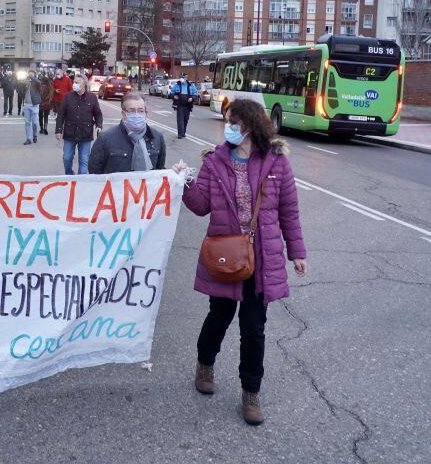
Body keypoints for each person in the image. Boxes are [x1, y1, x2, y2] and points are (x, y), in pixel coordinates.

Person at [177, 98, 307, 426]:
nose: (228, 128)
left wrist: (297, 252)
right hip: (225, 256)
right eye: (227, 122)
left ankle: (251, 393)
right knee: (218, 317)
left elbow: (289, 210)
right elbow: (200, 205)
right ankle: (205, 364)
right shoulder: (216, 160)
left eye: (233, 122)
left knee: (253, 328)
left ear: (249, 125)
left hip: (262, 260)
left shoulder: (276, 161)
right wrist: (183, 183)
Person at [88, 92, 166, 174]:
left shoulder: (157, 137)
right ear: (124, 114)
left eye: (140, 111)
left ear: (146, 113)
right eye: (132, 111)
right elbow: (94, 172)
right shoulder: (105, 139)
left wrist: (174, 173)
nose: (136, 114)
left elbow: (159, 172)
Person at [56, 74, 103, 175]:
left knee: (84, 162)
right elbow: (61, 114)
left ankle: (81, 182)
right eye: (74, 82)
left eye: (77, 83)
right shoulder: (68, 97)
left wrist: (99, 125)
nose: (74, 84)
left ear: (84, 85)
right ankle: (70, 175)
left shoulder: (92, 98)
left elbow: (98, 114)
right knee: (67, 158)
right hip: (70, 134)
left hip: (85, 135)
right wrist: (58, 130)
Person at [170, 73, 199, 139]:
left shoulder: (191, 85)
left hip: (188, 105)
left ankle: (183, 132)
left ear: (186, 78)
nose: (182, 79)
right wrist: (174, 96)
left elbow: (195, 93)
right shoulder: (177, 85)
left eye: (184, 77)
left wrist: (192, 98)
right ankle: (180, 134)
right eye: (181, 77)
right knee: (180, 120)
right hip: (180, 105)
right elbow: (171, 93)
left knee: (185, 119)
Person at [21, 74, 43, 145]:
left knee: (35, 123)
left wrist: (32, 77)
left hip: (35, 105)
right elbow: (19, 89)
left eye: (31, 74)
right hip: (26, 105)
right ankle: (28, 138)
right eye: (28, 74)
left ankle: (35, 135)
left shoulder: (36, 83)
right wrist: (23, 81)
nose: (29, 76)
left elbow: (39, 83)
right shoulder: (26, 83)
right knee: (27, 122)